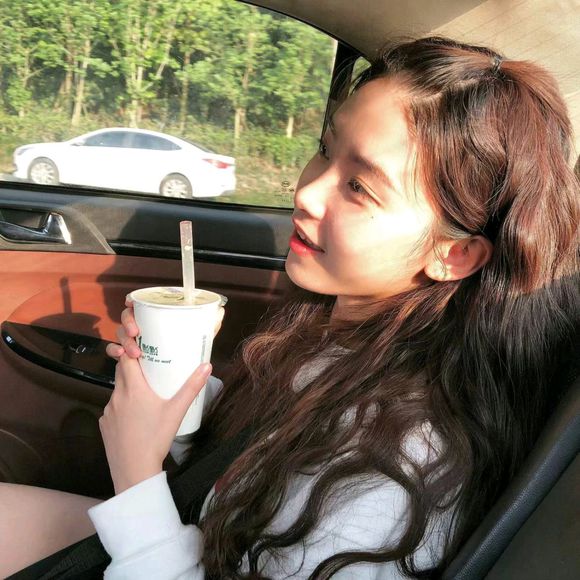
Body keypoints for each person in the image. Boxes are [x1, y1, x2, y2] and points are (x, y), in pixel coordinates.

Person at [1, 36, 578, 579]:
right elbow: (251, 467)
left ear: (454, 254)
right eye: (325, 150)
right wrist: (180, 393)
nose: (306, 192)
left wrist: (135, 476)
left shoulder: (396, 476)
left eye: (360, 187)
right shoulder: (347, 350)